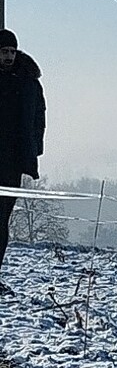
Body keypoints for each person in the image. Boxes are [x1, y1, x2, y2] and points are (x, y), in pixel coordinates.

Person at [0, 29, 46, 291]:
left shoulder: (27, 82)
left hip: (12, 164)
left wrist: (33, 150)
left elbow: (38, 118)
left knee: (1, 221)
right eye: (4, 51)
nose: (8, 56)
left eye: (12, 52)